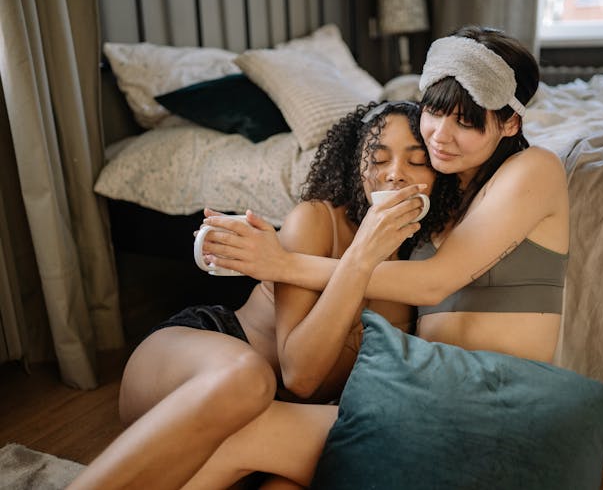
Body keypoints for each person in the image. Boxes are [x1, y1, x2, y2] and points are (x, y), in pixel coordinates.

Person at [167, 24, 570, 489]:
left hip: (490, 401)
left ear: (510, 123)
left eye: (467, 121)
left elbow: (435, 283)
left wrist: (280, 264)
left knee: (242, 439)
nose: (440, 136)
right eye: (435, 112)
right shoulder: (436, 203)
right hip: (426, 395)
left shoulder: (534, 169)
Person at [68, 100, 460, 489]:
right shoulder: (317, 220)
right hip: (198, 365)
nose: (395, 175)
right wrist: (362, 255)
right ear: (355, 165)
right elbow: (301, 376)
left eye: (416, 160)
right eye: (377, 158)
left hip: (276, 420)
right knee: (249, 377)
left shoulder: (428, 260)